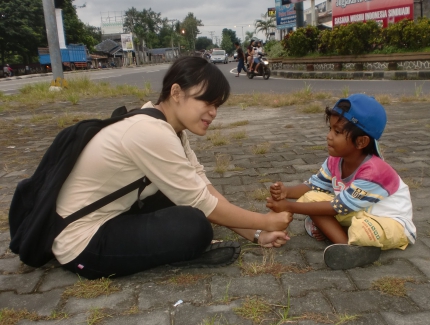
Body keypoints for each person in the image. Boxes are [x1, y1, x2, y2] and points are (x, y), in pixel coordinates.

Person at [55, 56, 292, 279]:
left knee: (183, 199)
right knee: (194, 227)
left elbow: (201, 187)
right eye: (207, 102)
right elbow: (205, 204)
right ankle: (177, 253)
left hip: (111, 218)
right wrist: (266, 222)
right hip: (82, 244)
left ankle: (167, 250)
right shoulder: (151, 132)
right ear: (176, 92)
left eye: (217, 105)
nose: (213, 112)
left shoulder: (168, 127)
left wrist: (256, 235)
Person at [267, 94, 416, 270]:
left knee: (361, 230)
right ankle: (348, 245)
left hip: (390, 223)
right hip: (358, 211)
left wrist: (288, 206)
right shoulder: (335, 160)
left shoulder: (375, 171)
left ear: (361, 141)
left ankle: (347, 246)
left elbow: (337, 207)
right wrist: (287, 192)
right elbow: (314, 185)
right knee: (310, 198)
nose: (329, 136)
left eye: (337, 132)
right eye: (330, 129)